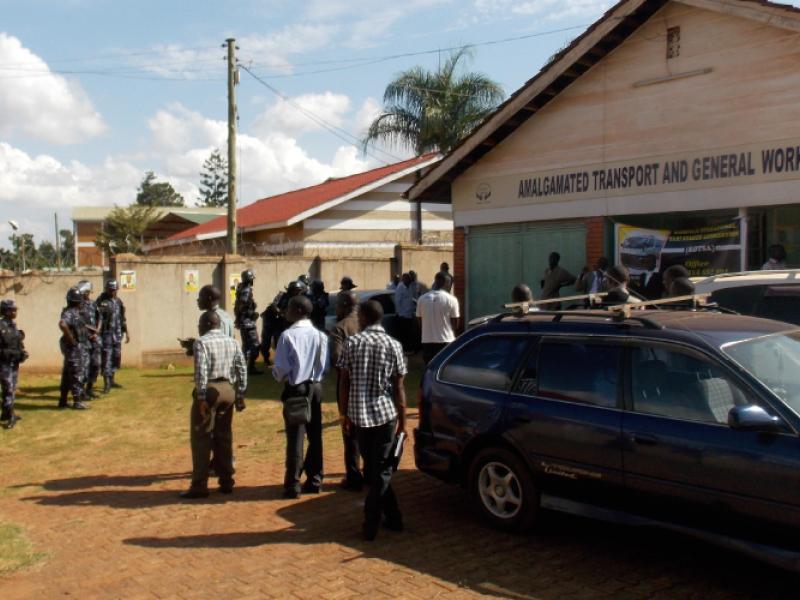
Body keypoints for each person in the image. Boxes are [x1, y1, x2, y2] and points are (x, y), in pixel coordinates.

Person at [338, 300, 407, 541]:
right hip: (386, 415)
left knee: (378, 470)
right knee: (380, 470)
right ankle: (395, 518)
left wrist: (343, 414)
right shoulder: (394, 345)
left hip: (359, 416)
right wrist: (404, 422)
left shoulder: (352, 343)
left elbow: (344, 382)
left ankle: (371, 521)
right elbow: (399, 387)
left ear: (365, 317)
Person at [180, 311, 247, 499]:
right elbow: (241, 368)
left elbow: (201, 372)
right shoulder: (232, 342)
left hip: (209, 390)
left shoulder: (201, 342)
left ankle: (199, 484)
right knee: (223, 436)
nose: (199, 328)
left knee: (201, 437)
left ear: (207, 324)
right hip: (228, 389)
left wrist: (201, 397)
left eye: (200, 325)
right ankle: (226, 481)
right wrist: (240, 393)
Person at [272, 296, 329, 499]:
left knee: (295, 436)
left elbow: (281, 369)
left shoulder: (287, 336)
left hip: (296, 388)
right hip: (316, 387)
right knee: (315, 435)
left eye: (287, 308)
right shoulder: (320, 336)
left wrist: (279, 376)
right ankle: (315, 479)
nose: (285, 311)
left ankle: (292, 483)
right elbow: (323, 365)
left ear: (296, 310)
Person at [329, 291, 363, 491]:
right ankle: (371, 472)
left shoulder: (340, 328)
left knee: (349, 430)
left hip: (348, 385)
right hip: (370, 385)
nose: (336, 309)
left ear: (344, 305)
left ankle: (353, 475)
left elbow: (336, 358)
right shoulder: (368, 323)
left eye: (337, 305)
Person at [416, 272, 461, 366]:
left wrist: (427, 331)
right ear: (447, 283)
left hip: (427, 341)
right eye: (451, 284)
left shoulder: (422, 299)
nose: (451, 287)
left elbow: (420, 321)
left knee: (429, 369)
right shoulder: (452, 300)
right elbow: (455, 323)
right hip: (446, 340)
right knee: (444, 370)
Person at [59, 287, 90, 410]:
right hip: (74, 348)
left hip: (76, 347)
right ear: (76, 300)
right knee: (77, 374)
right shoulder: (69, 312)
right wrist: (71, 339)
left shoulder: (76, 312)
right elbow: (62, 324)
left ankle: (63, 400)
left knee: (67, 374)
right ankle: (77, 401)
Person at [96, 279, 129, 394]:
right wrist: (97, 332)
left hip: (117, 334)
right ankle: (107, 384)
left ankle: (112, 380)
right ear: (107, 289)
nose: (112, 292)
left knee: (116, 357)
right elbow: (98, 318)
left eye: (114, 290)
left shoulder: (118, 302)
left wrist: (127, 332)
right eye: (110, 290)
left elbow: (122, 318)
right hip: (107, 335)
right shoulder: (102, 302)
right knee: (107, 358)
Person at [1, 300, 27, 429]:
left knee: (11, 388)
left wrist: (22, 352)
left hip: (14, 362)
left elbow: (17, 342)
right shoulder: (1, 327)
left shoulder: (13, 325)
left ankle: (6, 413)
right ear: (5, 311)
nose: (14, 312)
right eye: (12, 310)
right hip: (4, 363)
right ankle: (10, 417)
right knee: (8, 388)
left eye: (15, 310)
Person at [76, 280, 102, 399]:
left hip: (95, 339)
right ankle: (81, 392)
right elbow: (78, 322)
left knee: (96, 364)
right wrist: (89, 332)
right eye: (84, 292)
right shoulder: (78, 305)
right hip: (84, 339)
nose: (86, 294)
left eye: (87, 292)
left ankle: (90, 388)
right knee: (84, 366)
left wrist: (97, 330)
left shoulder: (93, 304)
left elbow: (100, 317)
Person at [234, 269, 261, 375]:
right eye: (252, 279)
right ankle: (249, 368)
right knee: (255, 345)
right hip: (247, 322)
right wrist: (250, 314)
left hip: (244, 322)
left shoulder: (241, 288)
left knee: (246, 346)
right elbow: (242, 304)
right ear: (249, 280)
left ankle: (244, 368)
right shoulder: (246, 290)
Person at [394, 273, 416, 351]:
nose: (410, 281)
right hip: (403, 315)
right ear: (404, 279)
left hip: (409, 314)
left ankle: (408, 349)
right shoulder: (400, 287)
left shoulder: (410, 287)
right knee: (404, 334)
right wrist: (400, 313)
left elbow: (410, 299)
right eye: (408, 279)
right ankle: (404, 349)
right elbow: (397, 301)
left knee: (409, 334)